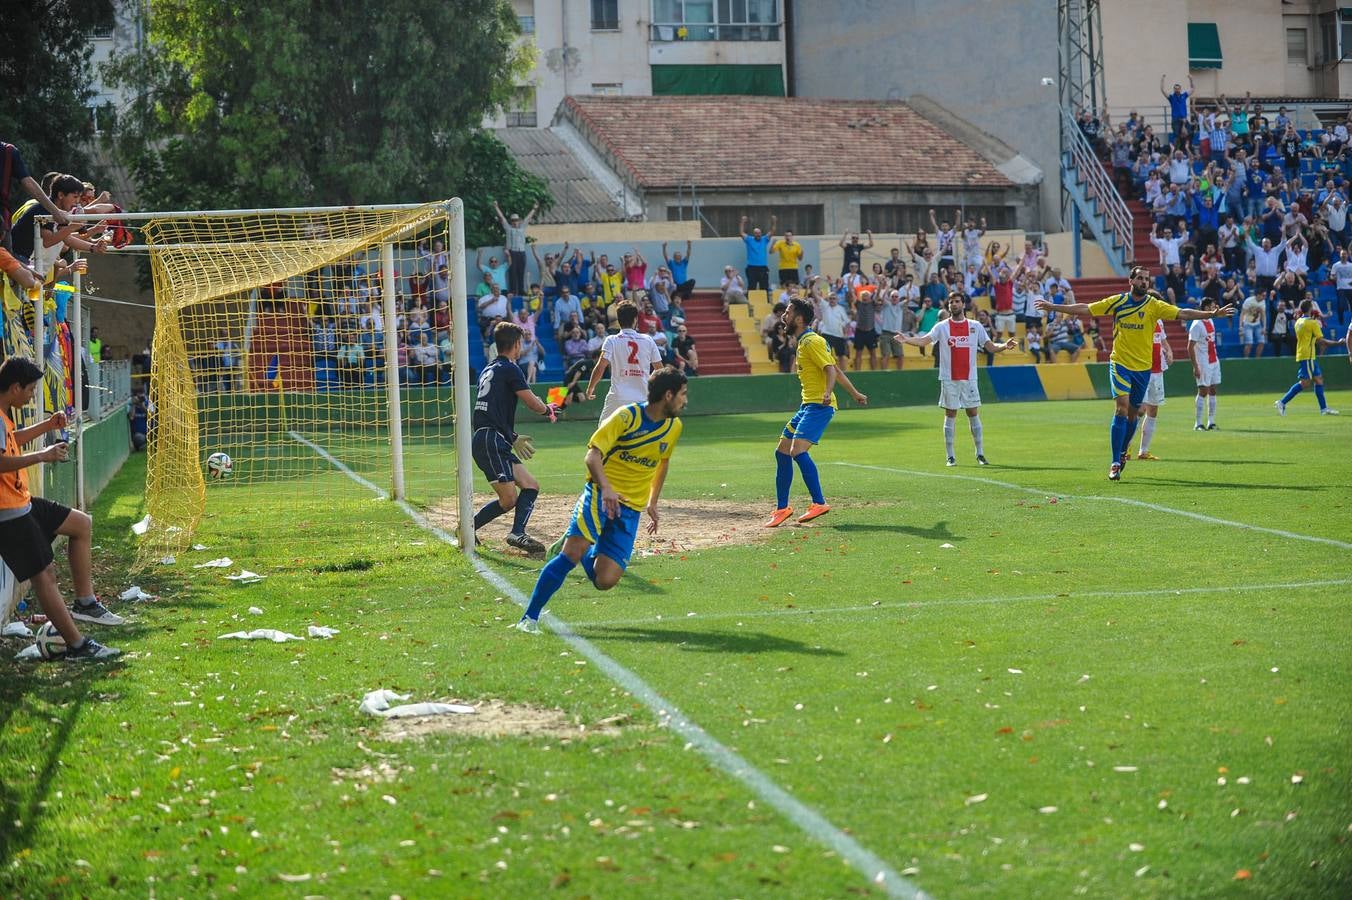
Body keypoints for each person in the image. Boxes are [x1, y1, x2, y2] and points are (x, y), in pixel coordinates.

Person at [515, 368, 689, 633]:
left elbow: (662, 462)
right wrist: (606, 488)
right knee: (569, 555)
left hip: (630, 509)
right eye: (683, 394)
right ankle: (529, 618)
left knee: (605, 580)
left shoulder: (673, 427)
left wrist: (653, 501)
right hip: (599, 494)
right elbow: (592, 457)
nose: (685, 400)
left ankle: (585, 548)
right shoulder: (627, 417)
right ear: (668, 395)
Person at [1035, 266, 1234, 481]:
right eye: (1139, 278)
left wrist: (1212, 314)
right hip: (1120, 364)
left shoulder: (1154, 305)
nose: (1143, 282)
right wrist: (1053, 306)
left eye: (1146, 279)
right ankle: (1113, 462)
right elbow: (1086, 308)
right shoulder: (1118, 302)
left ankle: (1122, 453)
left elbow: (1182, 313)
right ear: (1131, 280)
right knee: (1121, 409)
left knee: (1133, 414)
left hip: (1143, 368)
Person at [0, 358, 122, 659]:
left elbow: (9, 441)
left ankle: (85, 603)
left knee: (81, 524)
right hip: (9, 513)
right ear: (15, 387)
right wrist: (42, 455)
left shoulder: (3, 416)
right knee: (45, 576)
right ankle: (77, 645)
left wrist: (46, 426)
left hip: (22, 502)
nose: (31, 395)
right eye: (29, 390)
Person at [764, 297, 868, 528]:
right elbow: (836, 369)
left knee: (797, 451)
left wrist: (828, 393)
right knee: (782, 452)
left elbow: (830, 370)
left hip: (819, 406)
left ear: (799, 319)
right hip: (807, 405)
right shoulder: (805, 341)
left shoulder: (812, 342)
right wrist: (855, 393)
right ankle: (782, 508)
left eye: (789, 312)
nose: (784, 316)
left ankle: (819, 503)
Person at [469, 322, 560, 555]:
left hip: (493, 438)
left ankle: (517, 533)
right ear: (517, 344)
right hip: (491, 440)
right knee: (508, 499)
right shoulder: (510, 368)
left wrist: (513, 436)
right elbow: (531, 402)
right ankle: (468, 528)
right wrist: (547, 409)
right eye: (521, 343)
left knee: (530, 485)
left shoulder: (489, 368)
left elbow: (492, 410)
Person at [895, 294, 1017, 466]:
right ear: (949, 306)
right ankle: (950, 456)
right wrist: (907, 339)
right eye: (951, 302)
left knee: (973, 413)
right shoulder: (942, 327)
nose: (954, 304)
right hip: (949, 378)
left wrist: (1004, 346)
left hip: (970, 378)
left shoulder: (975, 326)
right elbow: (924, 341)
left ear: (963, 304)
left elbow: (989, 346)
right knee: (950, 414)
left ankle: (980, 453)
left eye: (957, 301)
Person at [585, 300, 664, 421]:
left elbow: (601, 367)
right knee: (638, 437)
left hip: (618, 398)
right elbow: (660, 370)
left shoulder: (611, 340)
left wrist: (591, 387)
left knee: (601, 437)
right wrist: (649, 381)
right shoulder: (648, 340)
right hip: (642, 398)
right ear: (635, 319)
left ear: (618, 320)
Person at [1275, 298, 1346, 415]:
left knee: (1318, 379)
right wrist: (1338, 343)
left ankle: (1323, 409)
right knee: (1305, 383)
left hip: (1305, 354)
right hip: (1307, 355)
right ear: (1310, 308)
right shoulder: (1312, 323)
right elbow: (1321, 341)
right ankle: (1282, 402)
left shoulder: (1298, 321)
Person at [1135, 320, 1173, 460]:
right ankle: (1124, 448)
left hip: (1157, 371)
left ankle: (1143, 451)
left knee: (1153, 410)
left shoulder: (1159, 321)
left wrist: (1169, 351)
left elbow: (1163, 340)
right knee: (1140, 409)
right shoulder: (1140, 319)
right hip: (1142, 370)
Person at [1188, 298, 1223, 430]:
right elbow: (1190, 347)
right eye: (1213, 307)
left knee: (1213, 390)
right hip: (1203, 362)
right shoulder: (1197, 324)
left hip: (1214, 360)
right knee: (1203, 391)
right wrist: (1195, 366)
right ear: (1206, 308)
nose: (1215, 309)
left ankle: (1211, 422)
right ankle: (1198, 423)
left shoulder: (1211, 320)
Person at [492, 200, 539, 296]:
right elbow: (502, 218)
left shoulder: (522, 227)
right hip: (512, 252)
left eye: (516, 220)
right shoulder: (508, 229)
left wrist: (534, 209)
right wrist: (496, 207)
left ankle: (521, 290)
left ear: (519, 221)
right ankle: (513, 290)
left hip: (521, 252)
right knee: (512, 272)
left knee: (521, 272)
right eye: (513, 220)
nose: (515, 222)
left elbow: (528, 218)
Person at [740, 215, 775, 291]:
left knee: (764, 287)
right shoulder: (749, 239)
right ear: (754, 234)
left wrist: (773, 222)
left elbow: (772, 232)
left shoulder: (764, 239)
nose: (758, 234)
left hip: (762, 268)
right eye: (756, 233)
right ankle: (751, 301)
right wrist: (742, 222)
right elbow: (741, 233)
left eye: (759, 233)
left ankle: (765, 302)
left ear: (761, 233)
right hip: (751, 267)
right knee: (752, 286)